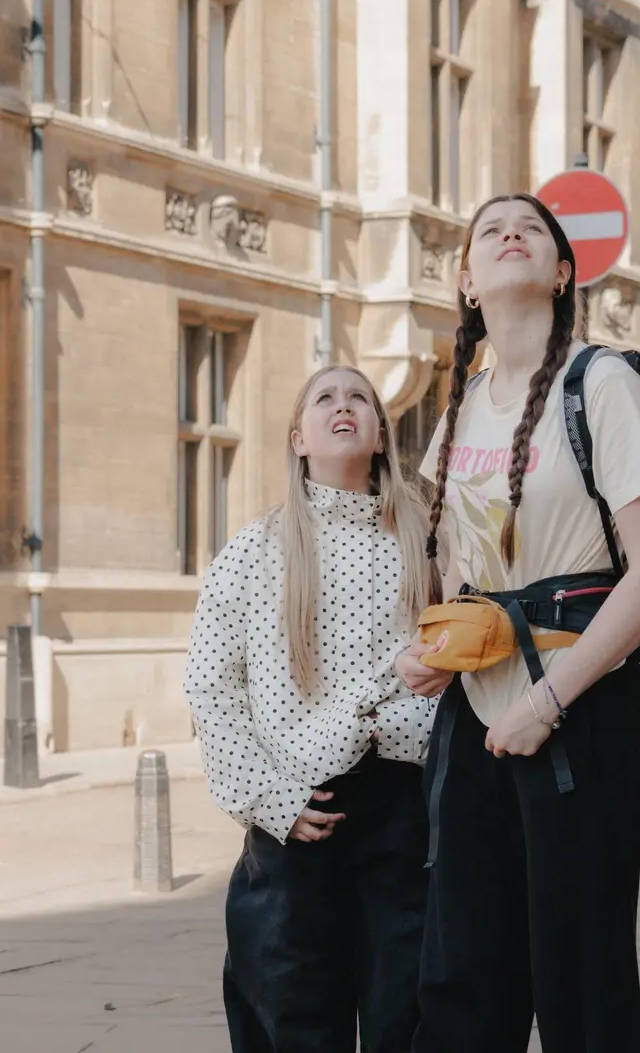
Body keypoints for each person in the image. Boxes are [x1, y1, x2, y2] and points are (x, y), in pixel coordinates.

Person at [397, 192, 640, 1053]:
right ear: (468, 281)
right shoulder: (457, 415)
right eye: (489, 230)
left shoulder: (604, 384)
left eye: (531, 228)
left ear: (562, 273)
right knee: (463, 979)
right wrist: (435, 653)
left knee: (580, 984)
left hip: (580, 717)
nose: (509, 233)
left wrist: (548, 703)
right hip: (473, 719)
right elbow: (460, 571)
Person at [185, 365, 444, 1053]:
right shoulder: (253, 551)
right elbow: (213, 688)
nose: (343, 405)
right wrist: (269, 800)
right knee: (293, 1013)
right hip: (296, 815)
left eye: (358, 396)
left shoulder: (429, 545)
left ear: (381, 432)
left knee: (406, 1013)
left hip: (404, 811)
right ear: (298, 438)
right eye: (324, 397)